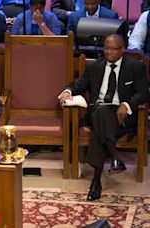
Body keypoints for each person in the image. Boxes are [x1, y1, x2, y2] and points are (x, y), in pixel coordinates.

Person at [59, 34, 150, 201]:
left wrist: (127, 104)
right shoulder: (95, 67)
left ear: (123, 49)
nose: (108, 52)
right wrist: (68, 91)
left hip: (122, 117)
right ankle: (113, 158)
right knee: (100, 112)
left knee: (98, 130)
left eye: (113, 49)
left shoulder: (135, 67)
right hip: (98, 111)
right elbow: (79, 83)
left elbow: (144, 92)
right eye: (106, 48)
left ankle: (97, 182)